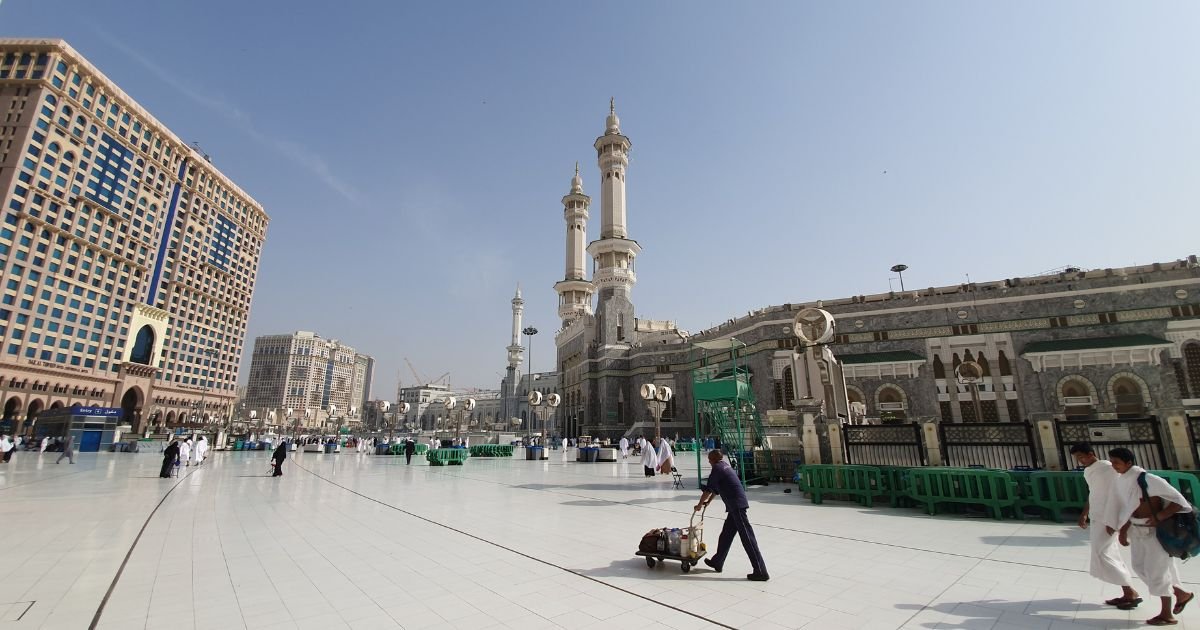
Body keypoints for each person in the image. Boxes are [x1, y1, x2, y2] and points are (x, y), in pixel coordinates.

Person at [1110, 447, 1195, 625]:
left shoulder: (1148, 479)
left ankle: (1167, 614)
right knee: (1140, 567)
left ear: (1128, 463)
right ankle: (1180, 593)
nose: (1113, 466)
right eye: (1112, 462)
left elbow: (1179, 501)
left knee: (1158, 571)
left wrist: (1159, 517)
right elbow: (1128, 507)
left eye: (1116, 462)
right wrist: (1123, 530)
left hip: (1157, 532)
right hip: (1137, 529)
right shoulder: (1122, 481)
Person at [1070, 444, 1139, 608]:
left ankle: (1130, 592)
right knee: (1107, 553)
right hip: (1097, 516)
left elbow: (1116, 494)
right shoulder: (1089, 471)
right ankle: (1128, 592)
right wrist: (1085, 513)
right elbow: (1093, 493)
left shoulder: (1107, 468)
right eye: (1077, 459)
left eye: (1081, 457)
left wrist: (1113, 520)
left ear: (1090, 454)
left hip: (1108, 517)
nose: (1080, 461)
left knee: (1102, 553)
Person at [695, 449, 769, 581]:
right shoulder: (725, 466)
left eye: (709, 460)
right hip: (734, 506)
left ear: (713, 460)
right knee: (726, 534)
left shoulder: (717, 468)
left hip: (736, 506)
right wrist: (708, 503)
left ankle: (760, 570)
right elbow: (716, 489)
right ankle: (718, 561)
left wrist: (700, 504)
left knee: (747, 537)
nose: (709, 462)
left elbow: (708, 489)